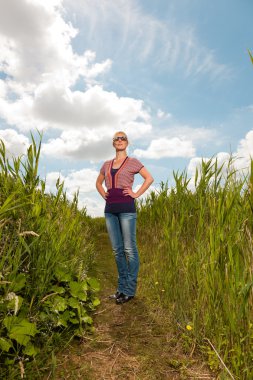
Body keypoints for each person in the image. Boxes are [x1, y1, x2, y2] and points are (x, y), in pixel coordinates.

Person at [96, 131, 154, 304]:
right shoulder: (106, 164)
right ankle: (121, 289)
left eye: (123, 138)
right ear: (113, 143)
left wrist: (135, 193)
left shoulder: (133, 162)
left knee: (129, 249)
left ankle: (129, 289)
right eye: (117, 138)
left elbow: (149, 179)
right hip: (110, 209)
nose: (120, 140)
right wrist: (103, 194)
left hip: (127, 209)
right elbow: (98, 183)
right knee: (117, 250)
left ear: (127, 143)